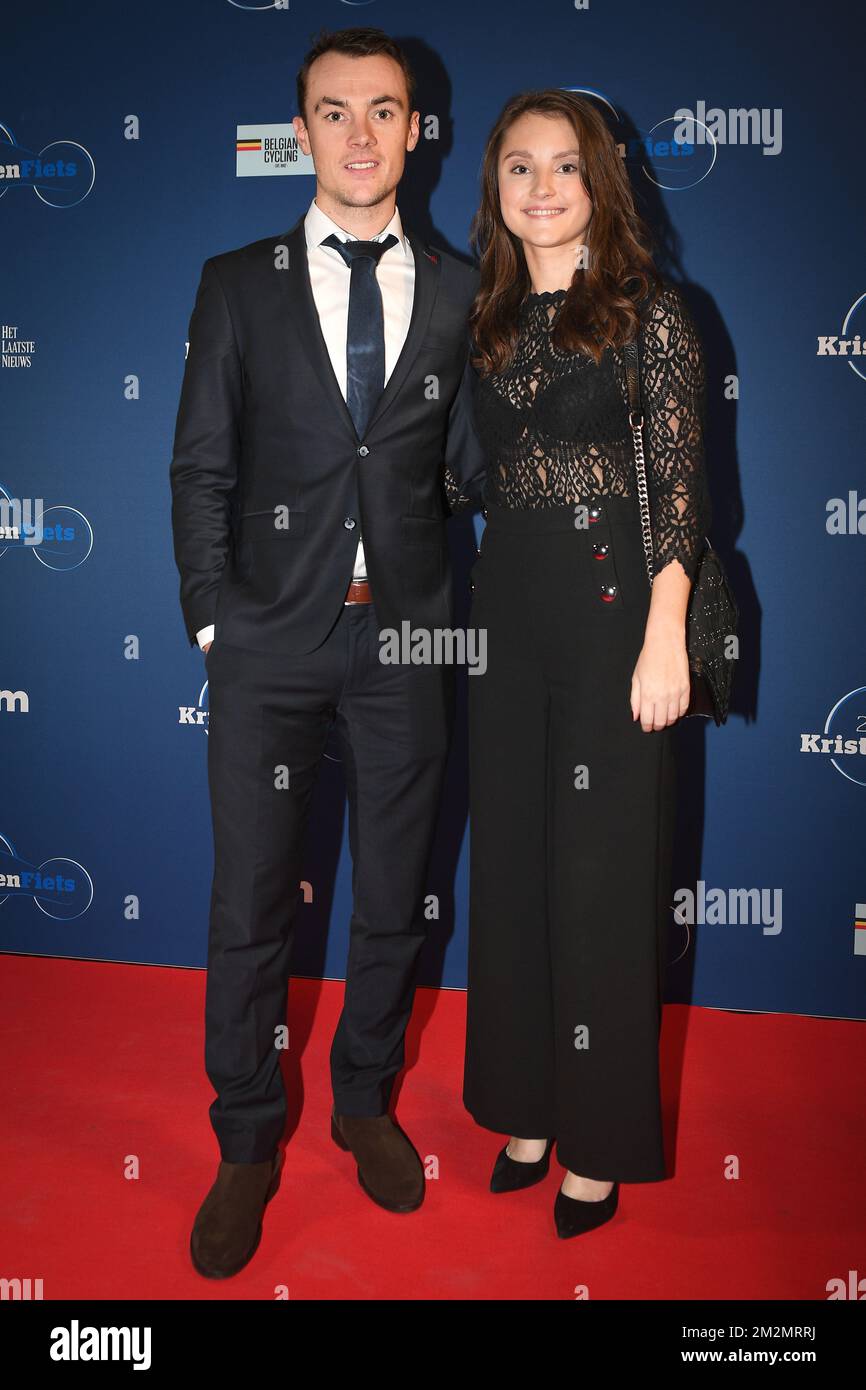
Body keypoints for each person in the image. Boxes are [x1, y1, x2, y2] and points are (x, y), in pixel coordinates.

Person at [169, 26, 484, 1279]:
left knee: (396, 898)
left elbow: (463, 472)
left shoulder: (464, 291)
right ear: (299, 131)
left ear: (417, 130)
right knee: (250, 904)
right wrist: (212, 618)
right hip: (266, 647)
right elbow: (200, 464)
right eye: (333, 111)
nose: (360, 134)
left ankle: (362, 1100)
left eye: (384, 111)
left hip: (408, 640)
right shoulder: (234, 281)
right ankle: (247, 1136)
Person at [461, 89, 710, 1238]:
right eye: (519, 167)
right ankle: (523, 1103)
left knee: (600, 883)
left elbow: (677, 491)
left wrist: (667, 633)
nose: (542, 187)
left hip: (618, 623)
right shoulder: (485, 320)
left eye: (564, 167)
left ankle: (598, 1142)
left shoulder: (650, 314)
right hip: (502, 623)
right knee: (510, 868)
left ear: (597, 182)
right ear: (496, 188)